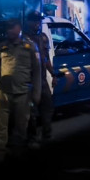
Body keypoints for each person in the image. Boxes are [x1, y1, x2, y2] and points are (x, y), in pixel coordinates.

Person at [0, 18, 41, 154]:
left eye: (12, 27)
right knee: (0, 125)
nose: (9, 30)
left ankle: (18, 154)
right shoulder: (1, 47)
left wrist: (36, 93)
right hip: (3, 93)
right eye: (8, 28)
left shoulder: (30, 47)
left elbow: (37, 71)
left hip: (23, 93)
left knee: (21, 127)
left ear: (19, 28)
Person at [24, 10, 57, 145]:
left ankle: (47, 135)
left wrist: (53, 74)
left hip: (42, 81)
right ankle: (31, 138)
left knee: (47, 108)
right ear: (28, 22)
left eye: (39, 21)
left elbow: (46, 59)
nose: (38, 23)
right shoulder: (23, 39)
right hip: (29, 82)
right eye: (35, 21)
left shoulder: (43, 38)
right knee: (30, 112)